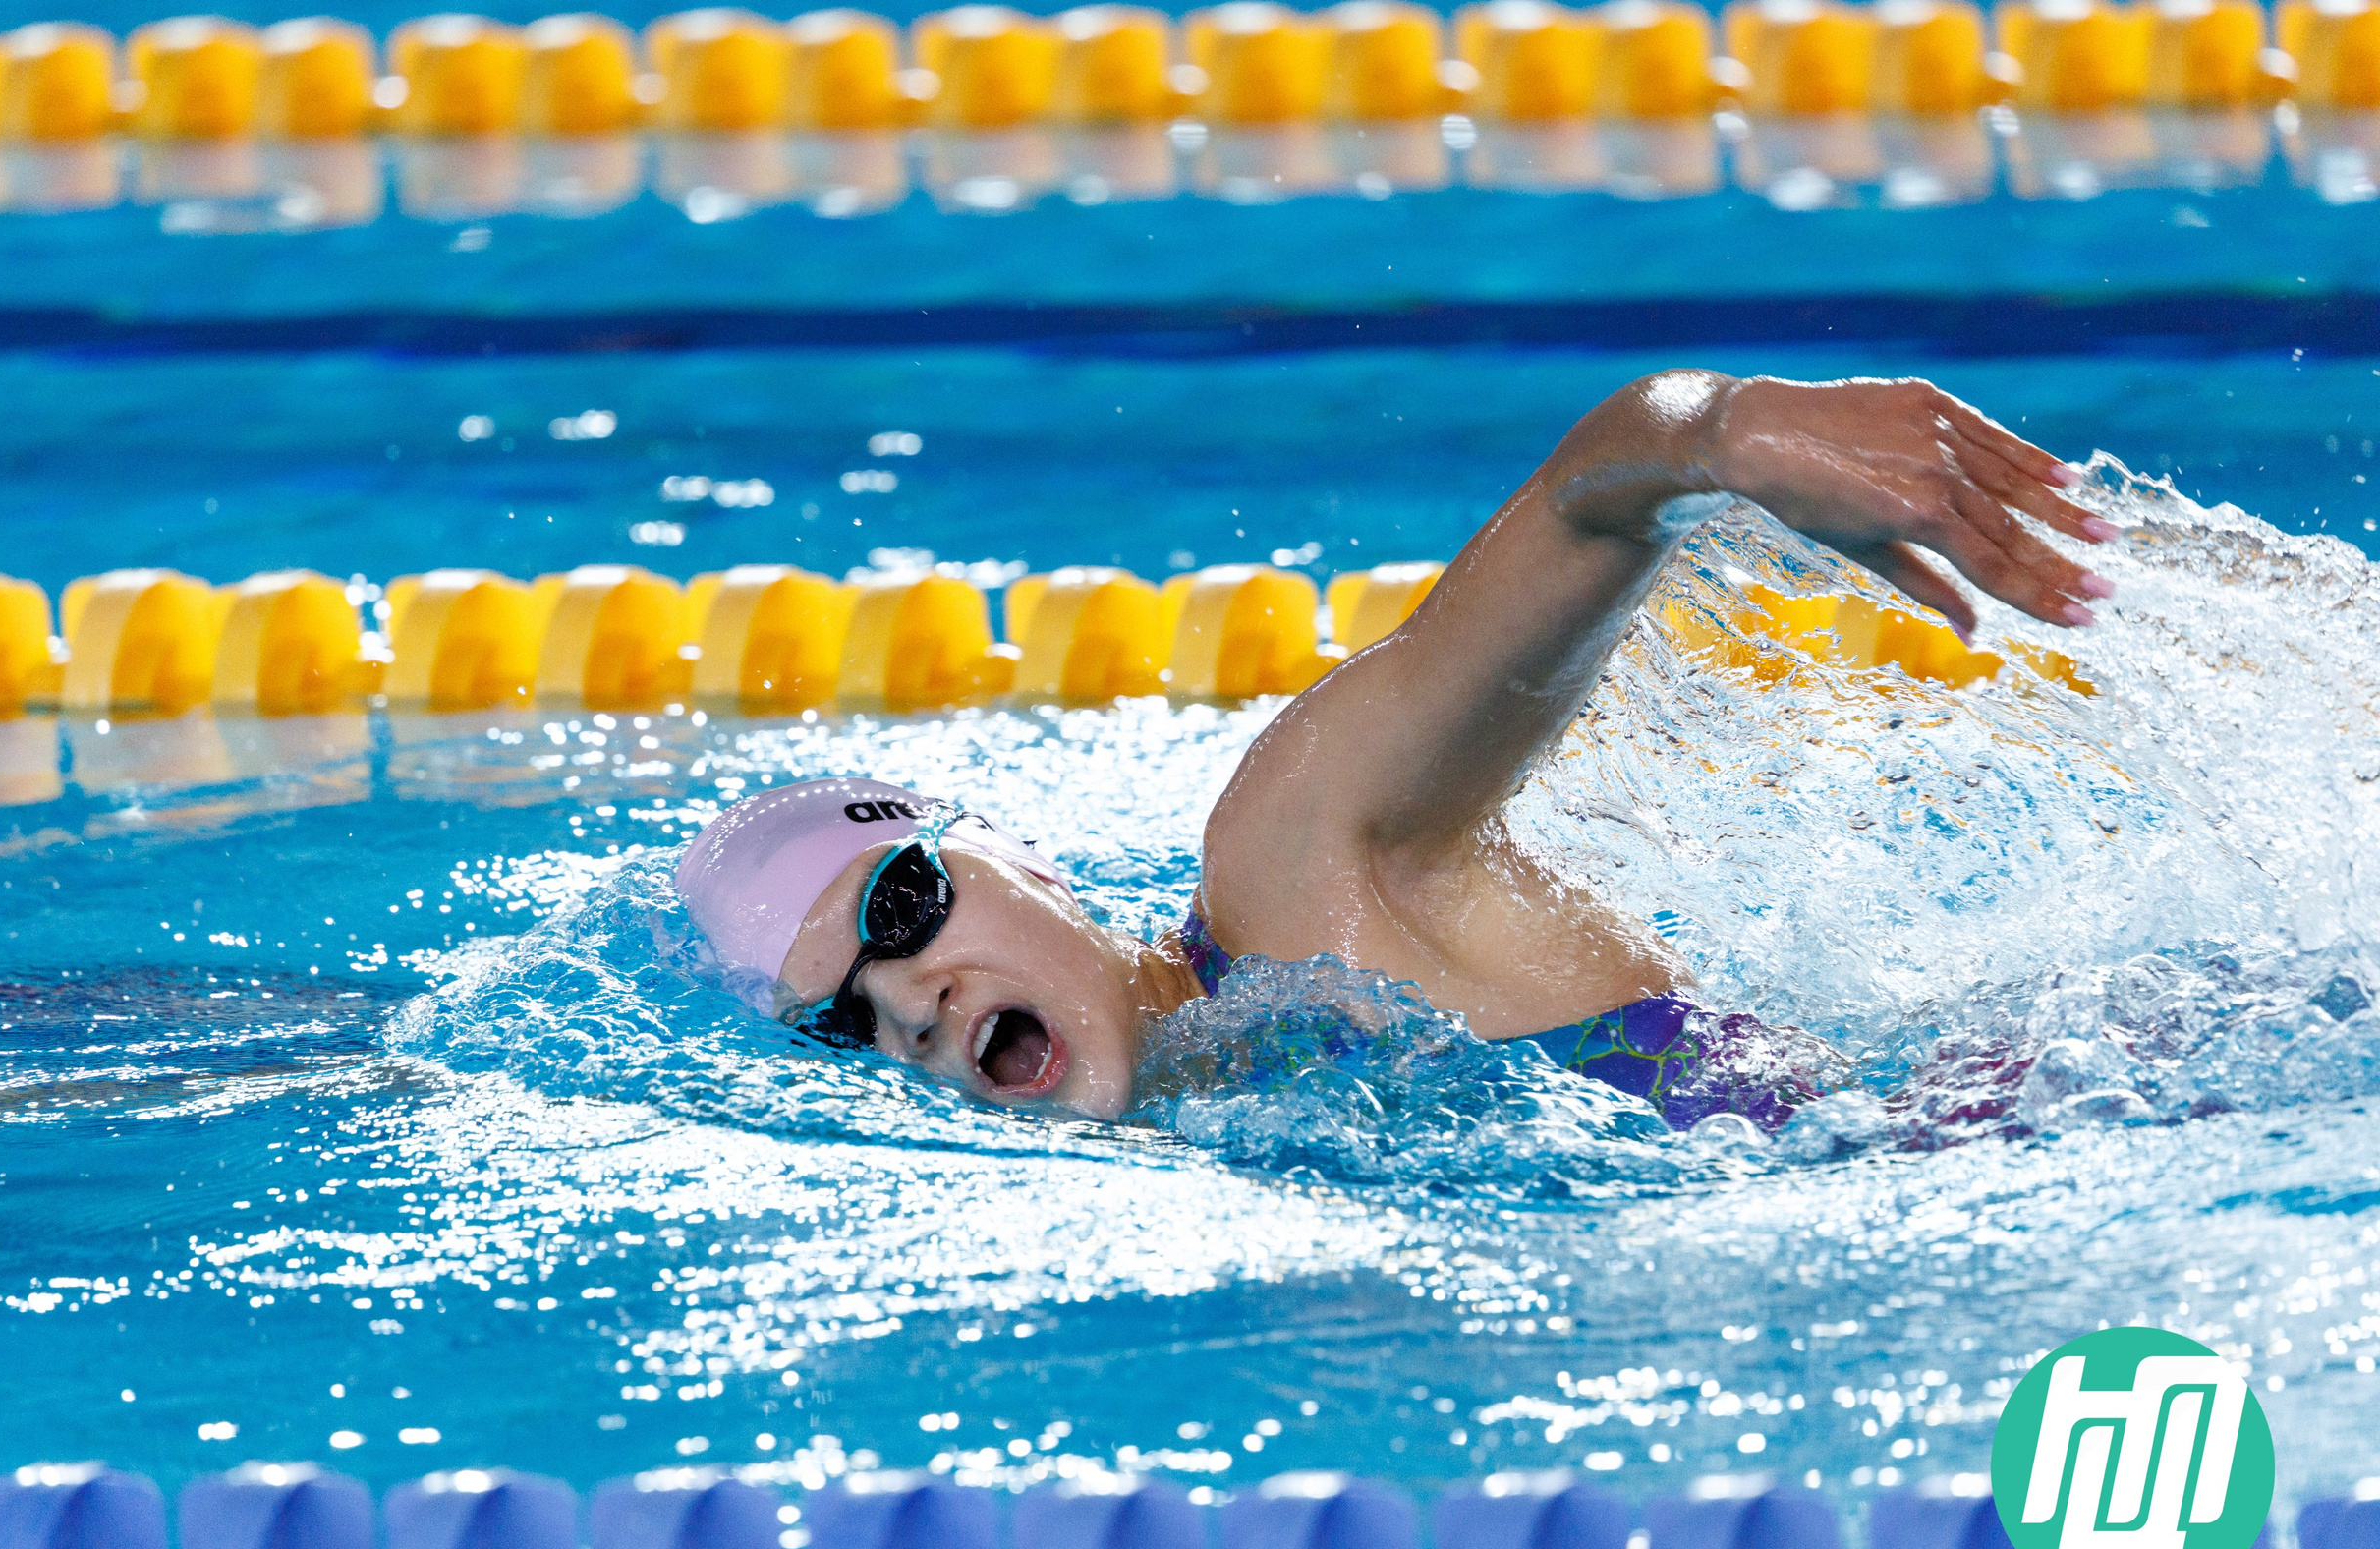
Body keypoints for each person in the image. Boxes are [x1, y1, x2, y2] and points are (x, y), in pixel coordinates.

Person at [675, 372, 2119, 1123]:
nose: (912, 1005)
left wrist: (1723, 432)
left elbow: (1583, 503)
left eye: (903, 908)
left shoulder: (1295, 879)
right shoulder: (1203, 1111)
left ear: (1030, 865)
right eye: (844, 1022)